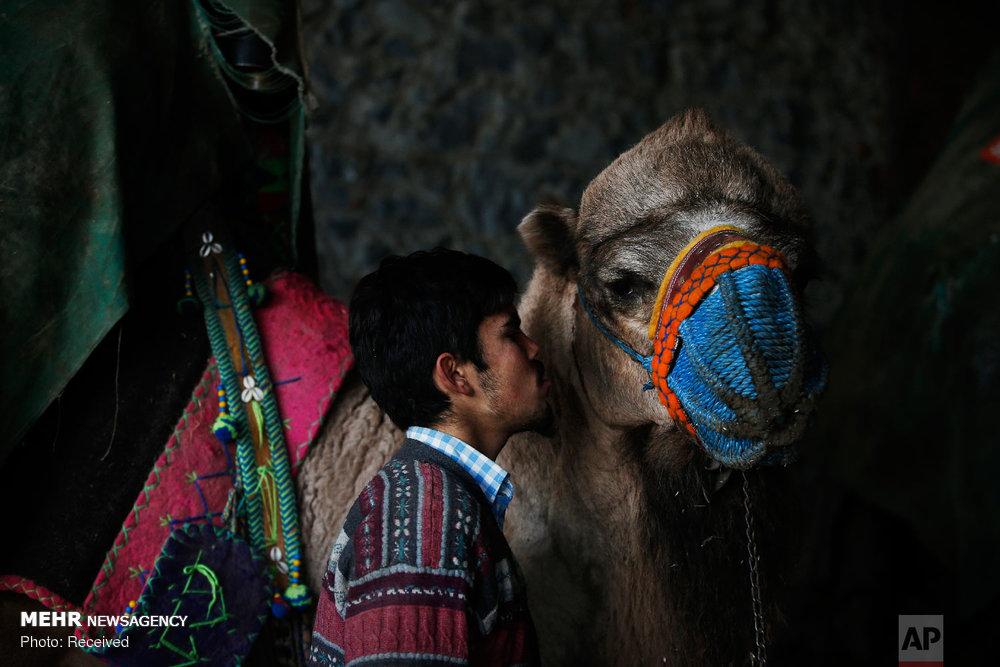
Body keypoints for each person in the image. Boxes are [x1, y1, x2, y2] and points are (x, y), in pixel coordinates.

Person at [308, 248, 550, 666]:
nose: (533, 348)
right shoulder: (423, 517)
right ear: (456, 375)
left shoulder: (432, 501)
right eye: (511, 333)